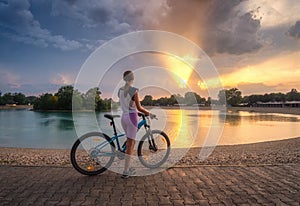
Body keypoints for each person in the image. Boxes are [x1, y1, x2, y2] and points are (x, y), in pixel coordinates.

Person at [118, 70, 156, 178]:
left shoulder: (120, 91)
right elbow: (138, 107)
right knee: (130, 145)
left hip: (124, 117)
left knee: (129, 142)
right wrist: (150, 114)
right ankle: (126, 171)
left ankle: (127, 166)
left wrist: (133, 109)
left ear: (124, 79)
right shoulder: (134, 90)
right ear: (132, 79)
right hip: (132, 118)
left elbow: (127, 105)